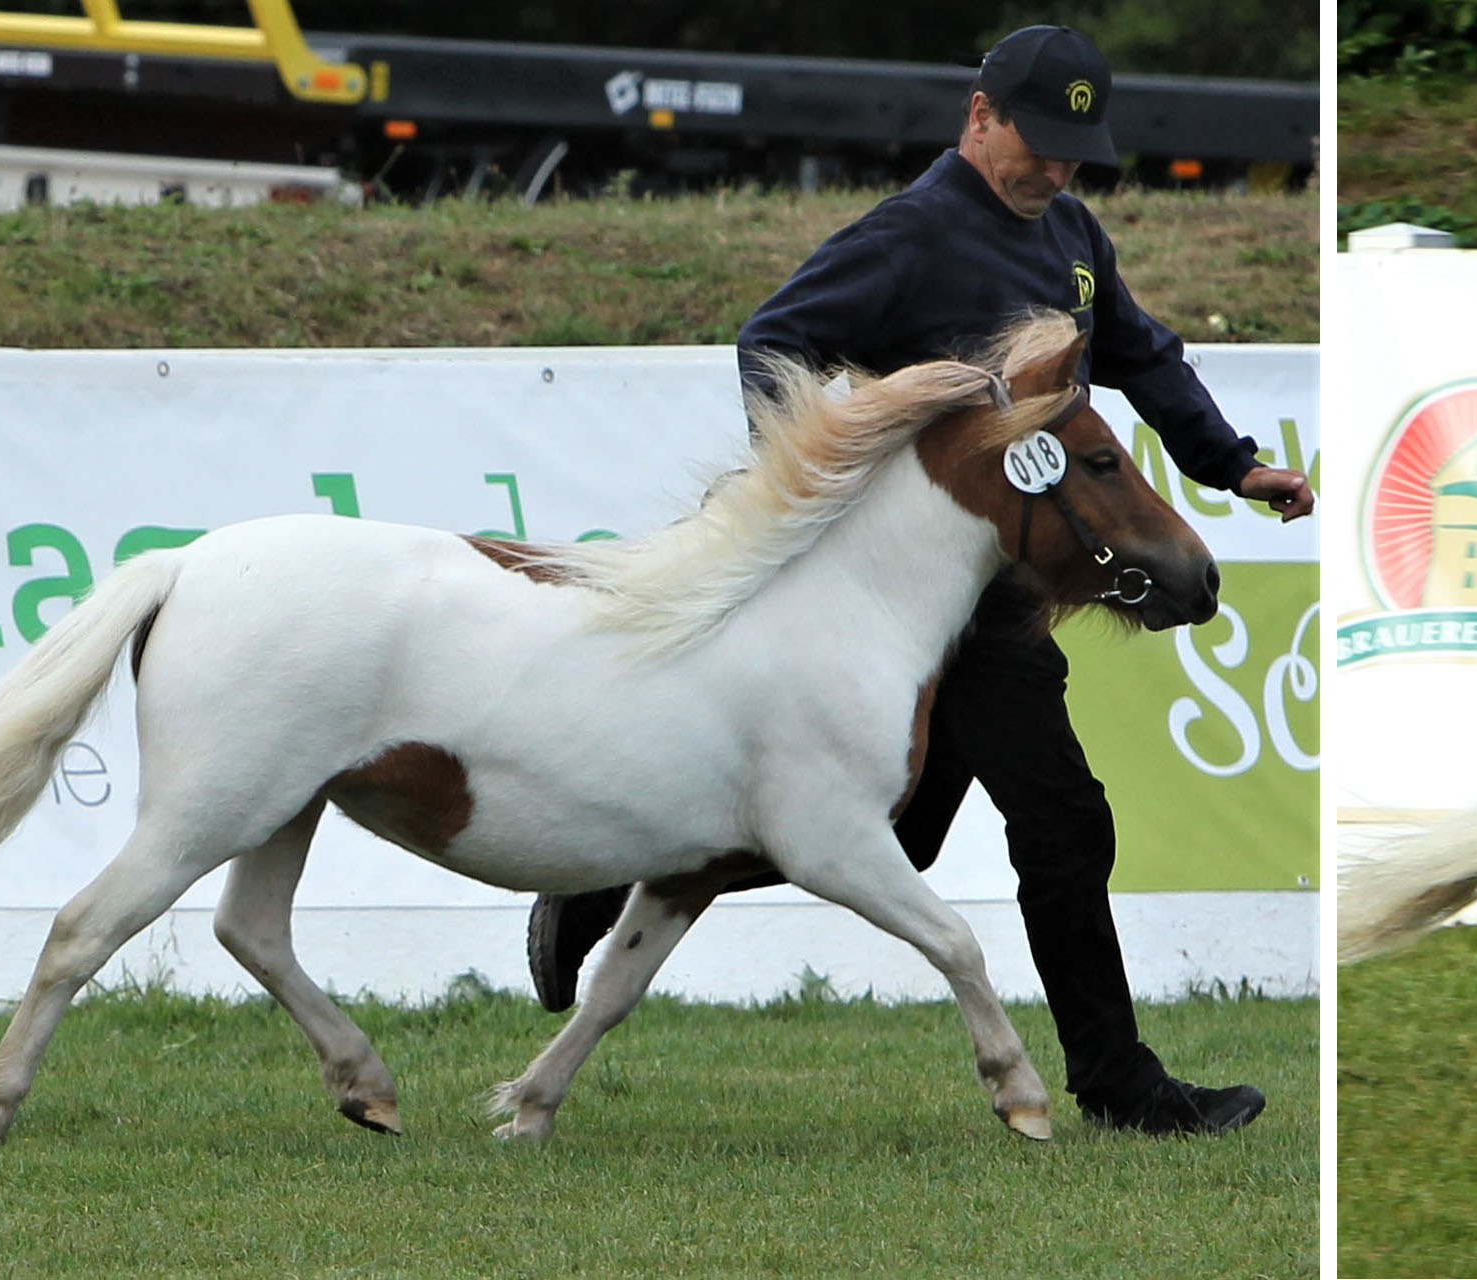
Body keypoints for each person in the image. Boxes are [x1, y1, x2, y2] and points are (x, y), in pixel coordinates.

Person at [524, 24, 1315, 1136]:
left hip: (1003, 589)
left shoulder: (1074, 235)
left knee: (901, 838)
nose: (1054, 169)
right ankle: (1122, 1087)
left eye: (1074, 151)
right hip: (904, 600)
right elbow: (773, 344)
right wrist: (814, 488)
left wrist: (1229, 463)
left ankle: (610, 870)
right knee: (1063, 818)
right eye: (1036, 143)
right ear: (978, 116)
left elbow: (1140, 356)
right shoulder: (909, 236)